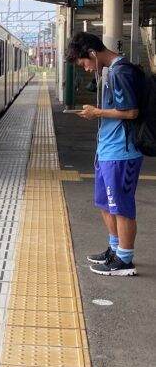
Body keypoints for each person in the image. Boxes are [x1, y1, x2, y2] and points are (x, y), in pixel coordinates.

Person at [66, 31, 142, 276]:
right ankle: (114, 249)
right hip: (107, 150)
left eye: (85, 64)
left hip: (123, 151)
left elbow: (131, 112)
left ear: (92, 54)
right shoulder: (111, 72)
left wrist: (96, 113)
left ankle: (125, 259)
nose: (87, 69)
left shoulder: (121, 72)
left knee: (121, 207)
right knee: (105, 203)